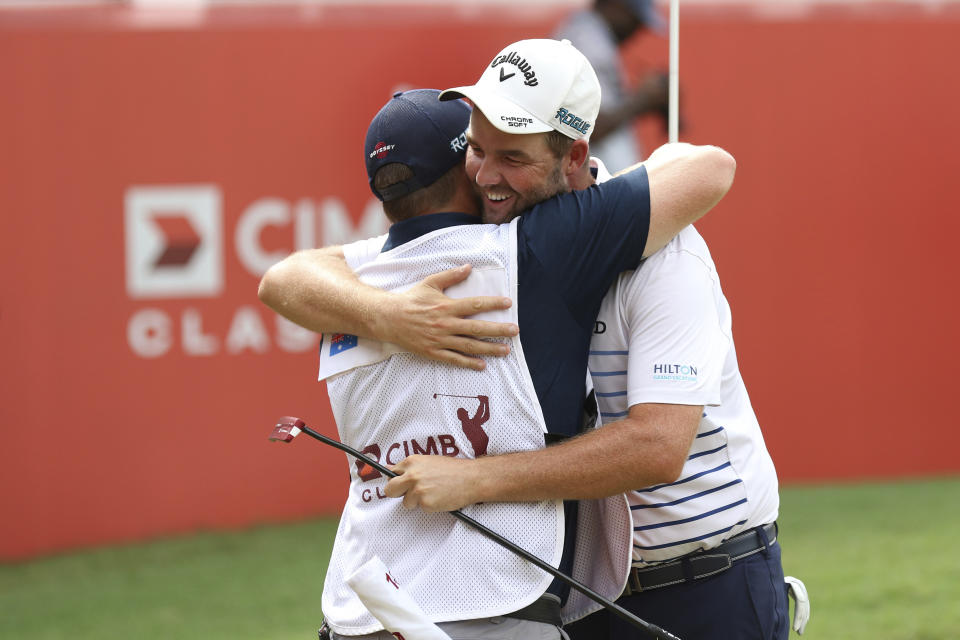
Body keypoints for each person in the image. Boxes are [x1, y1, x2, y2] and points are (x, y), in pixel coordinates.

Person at [259, 40, 737, 640]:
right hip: (495, 605)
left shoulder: (350, 277)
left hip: (360, 613)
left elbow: (280, 279)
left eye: (507, 155)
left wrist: (381, 312)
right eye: (477, 153)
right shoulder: (534, 245)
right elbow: (712, 167)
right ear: (457, 170)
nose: (486, 176)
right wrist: (393, 318)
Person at [554, 0, 671, 172]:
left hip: (599, 188)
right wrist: (643, 100)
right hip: (593, 189)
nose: (637, 30)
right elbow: (585, 127)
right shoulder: (586, 41)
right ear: (615, 4)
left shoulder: (594, 38)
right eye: (635, 19)